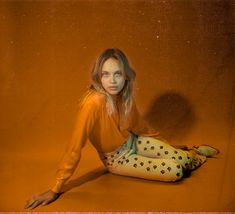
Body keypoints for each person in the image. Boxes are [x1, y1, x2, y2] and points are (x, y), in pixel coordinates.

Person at [25, 48, 219, 209]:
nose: (112, 81)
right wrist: (55, 188)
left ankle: (195, 152)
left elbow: (141, 127)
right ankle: (190, 156)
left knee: (181, 158)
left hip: (133, 141)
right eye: (105, 74)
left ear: (125, 76)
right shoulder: (93, 103)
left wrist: (170, 145)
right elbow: (74, 147)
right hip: (117, 159)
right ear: (98, 76)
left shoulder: (125, 96)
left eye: (117, 74)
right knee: (176, 170)